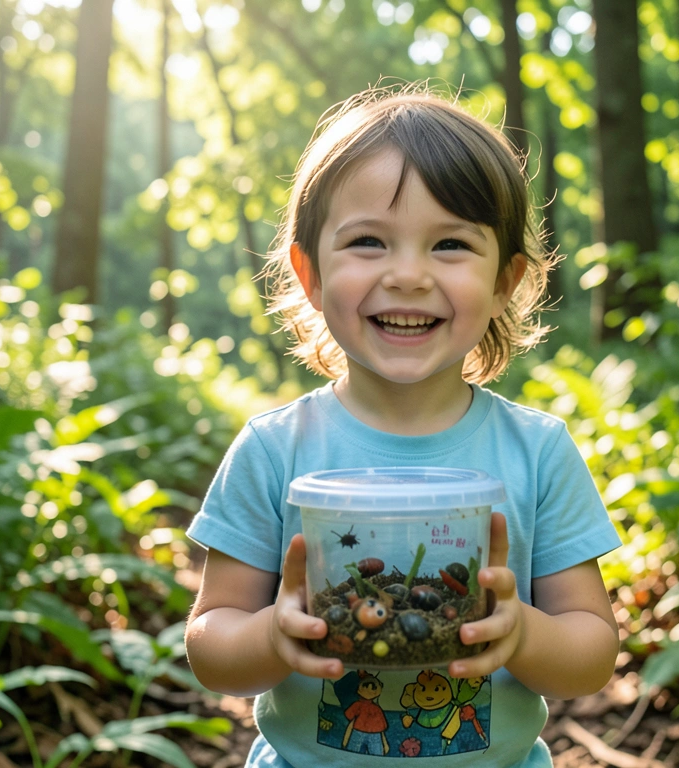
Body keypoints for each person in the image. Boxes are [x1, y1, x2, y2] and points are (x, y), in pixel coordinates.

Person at [184, 83, 621, 766]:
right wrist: (271, 637)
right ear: (311, 274)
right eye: (367, 242)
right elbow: (212, 640)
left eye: (450, 243)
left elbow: (591, 652)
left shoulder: (536, 453)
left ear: (506, 279)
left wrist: (523, 635)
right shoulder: (275, 449)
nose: (408, 275)